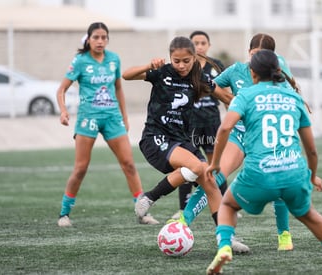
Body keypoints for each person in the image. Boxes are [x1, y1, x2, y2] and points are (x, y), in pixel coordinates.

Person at [206, 49, 322, 274]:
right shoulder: (294, 97)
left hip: (259, 174)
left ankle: (225, 247)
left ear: (252, 73)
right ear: (278, 70)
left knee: (227, 204)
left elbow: (226, 127)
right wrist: (312, 175)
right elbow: (312, 150)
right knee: (309, 215)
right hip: (293, 174)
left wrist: (215, 162)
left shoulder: (245, 95)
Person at [122, 36, 247, 253]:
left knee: (210, 181)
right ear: (170, 57)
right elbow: (126, 75)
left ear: (194, 58)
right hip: (155, 137)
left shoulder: (198, 77)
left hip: (181, 141)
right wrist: (149, 66)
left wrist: (247, 105)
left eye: (186, 61)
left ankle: (225, 240)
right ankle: (151, 196)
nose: (181, 65)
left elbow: (225, 97)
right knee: (198, 167)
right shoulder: (162, 72)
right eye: (176, 60)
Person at [177, 33, 300, 251]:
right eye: (254, 55)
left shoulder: (279, 67)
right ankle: (183, 221)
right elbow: (211, 86)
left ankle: (284, 234)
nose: (258, 61)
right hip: (241, 134)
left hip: (267, 138)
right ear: (248, 53)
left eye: (263, 56)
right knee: (214, 177)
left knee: (278, 183)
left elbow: (291, 96)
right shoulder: (236, 71)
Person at [56, 22, 158, 227]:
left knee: (129, 164)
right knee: (81, 167)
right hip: (88, 118)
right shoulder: (80, 61)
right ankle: (64, 214)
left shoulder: (113, 59)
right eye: (96, 37)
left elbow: (119, 88)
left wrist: (125, 116)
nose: (100, 41)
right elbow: (62, 90)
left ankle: (142, 212)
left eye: (104, 37)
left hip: (112, 118)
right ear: (89, 39)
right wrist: (64, 111)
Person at [171, 30, 227, 221]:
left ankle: (223, 204)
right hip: (191, 124)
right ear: (192, 48)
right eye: (197, 43)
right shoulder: (185, 66)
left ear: (208, 45)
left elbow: (224, 92)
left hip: (212, 122)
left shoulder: (216, 65)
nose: (201, 46)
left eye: (204, 42)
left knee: (215, 165)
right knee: (189, 164)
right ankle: (184, 207)